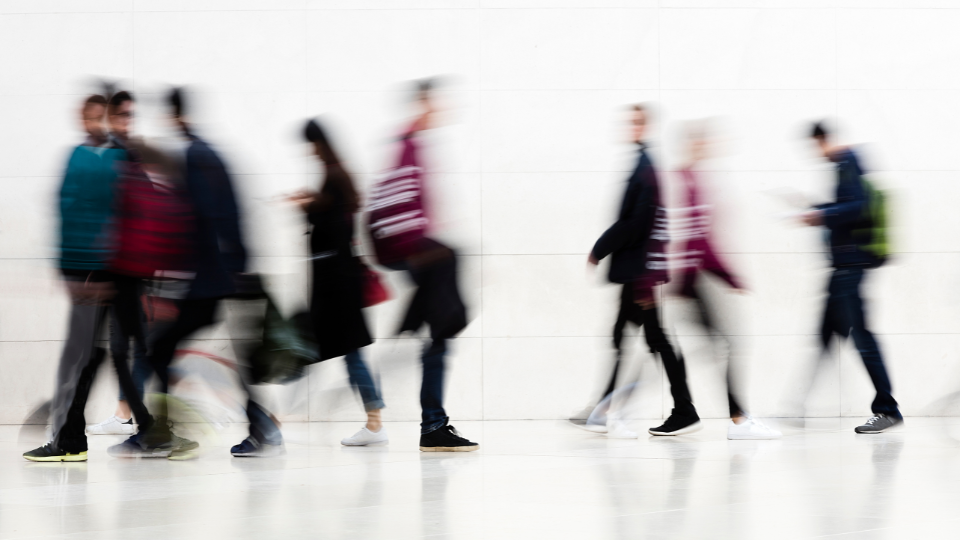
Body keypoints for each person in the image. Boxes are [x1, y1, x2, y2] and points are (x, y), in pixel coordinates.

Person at [109, 88, 254, 458]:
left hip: (206, 282)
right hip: (215, 278)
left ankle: (161, 433)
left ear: (174, 115)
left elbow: (199, 219)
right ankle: (260, 430)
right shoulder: (205, 152)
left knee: (158, 352)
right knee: (164, 352)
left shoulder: (196, 156)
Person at [367, 79, 478, 452]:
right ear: (423, 104)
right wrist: (418, 249)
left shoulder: (410, 144)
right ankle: (432, 425)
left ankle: (433, 422)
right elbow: (397, 205)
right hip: (415, 254)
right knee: (441, 333)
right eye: (435, 103)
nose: (441, 110)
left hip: (417, 252)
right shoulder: (408, 144)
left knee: (438, 338)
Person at [22, 95, 129, 461]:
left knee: (86, 358)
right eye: (90, 117)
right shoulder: (85, 157)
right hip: (91, 273)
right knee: (94, 357)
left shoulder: (112, 159)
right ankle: (72, 436)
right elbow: (67, 210)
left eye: (100, 117)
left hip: (100, 274)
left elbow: (97, 214)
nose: (94, 124)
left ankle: (69, 438)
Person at [587, 104, 700, 437]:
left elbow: (637, 224)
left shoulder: (646, 168)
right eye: (628, 120)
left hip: (640, 273)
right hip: (638, 271)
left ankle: (682, 409)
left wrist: (599, 249)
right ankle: (603, 407)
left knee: (655, 341)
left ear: (647, 125)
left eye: (636, 121)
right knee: (628, 335)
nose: (630, 126)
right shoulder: (642, 165)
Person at [672, 122, 780, 440]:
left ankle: (622, 406)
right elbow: (698, 241)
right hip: (692, 280)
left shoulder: (689, 180)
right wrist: (729, 275)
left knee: (686, 348)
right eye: (704, 141)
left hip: (689, 280)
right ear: (695, 145)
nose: (708, 146)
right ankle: (738, 420)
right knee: (728, 344)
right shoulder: (689, 181)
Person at [289, 119, 386, 447]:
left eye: (311, 145)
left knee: (319, 351)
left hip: (336, 289)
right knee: (346, 354)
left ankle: (272, 423)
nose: (310, 152)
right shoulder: (337, 176)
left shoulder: (334, 176)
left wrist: (308, 208)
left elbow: (333, 231)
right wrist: (312, 205)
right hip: (340, 287)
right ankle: (374, 422)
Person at [801, 121, 902, 434]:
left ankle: (887, 410)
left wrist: (823, 215)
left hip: (850, 267)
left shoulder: (848, 162)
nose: (817, 152)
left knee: (863, 339)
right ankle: (797, 407)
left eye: (816, 145)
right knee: (824, 337)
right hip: (842, 268)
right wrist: (820, 210)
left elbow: (857, 207)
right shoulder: (846, 165)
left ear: (823, 140)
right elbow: (848, 206)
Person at [86, 90, 154, 437]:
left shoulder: (126, 155)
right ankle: (128, 415)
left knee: (129, 346)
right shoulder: (117, 155)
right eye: (123, 115)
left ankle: (136, 417)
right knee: (122, 346)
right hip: (119, 269)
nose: (128, 121)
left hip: (130, 271)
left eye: (131, 115)